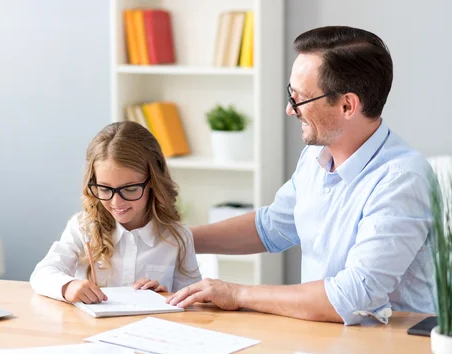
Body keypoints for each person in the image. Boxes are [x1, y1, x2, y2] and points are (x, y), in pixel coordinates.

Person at [167, 26, 435, 325]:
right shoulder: (315, 156)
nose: (289, 109)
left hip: (388, 348)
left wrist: (237, 294)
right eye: (290, 94)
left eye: (300, 99)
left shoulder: (402, 179)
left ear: (348, 105)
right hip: (322, 335)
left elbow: (354, 297)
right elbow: (272, 227)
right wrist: (177, 240)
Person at [30, 121, 201, 304]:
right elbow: (42, 274)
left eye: (130, 189)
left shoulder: (177, 237)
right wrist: (68, 286)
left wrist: (167, 296)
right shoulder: (84, 228)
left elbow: (195, 301)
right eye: (104, 189)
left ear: (153, 182)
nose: (116, 202)